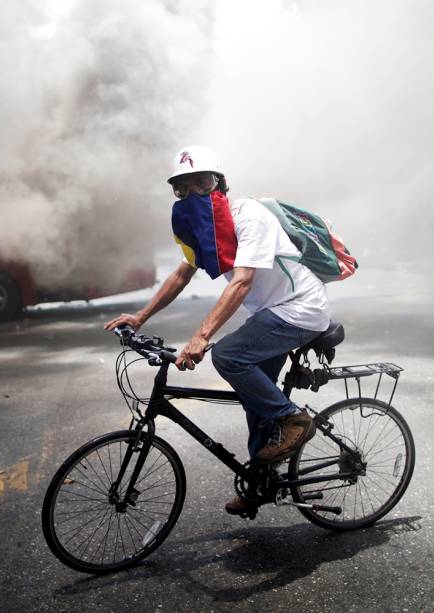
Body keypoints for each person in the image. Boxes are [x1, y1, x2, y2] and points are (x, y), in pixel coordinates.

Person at [104, 145, 330, 515]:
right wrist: (140, 317)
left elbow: (241, 283)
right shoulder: (205, 231)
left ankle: (295, 419)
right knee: (255, 401)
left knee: (228, 355)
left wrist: (201, 336)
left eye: (201, 184)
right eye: (182, 189)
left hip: (300, 309)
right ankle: (261, 482)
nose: (192, 195)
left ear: (220, 184)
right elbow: (182, 272)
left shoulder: (249, 218)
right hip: (271, 312)